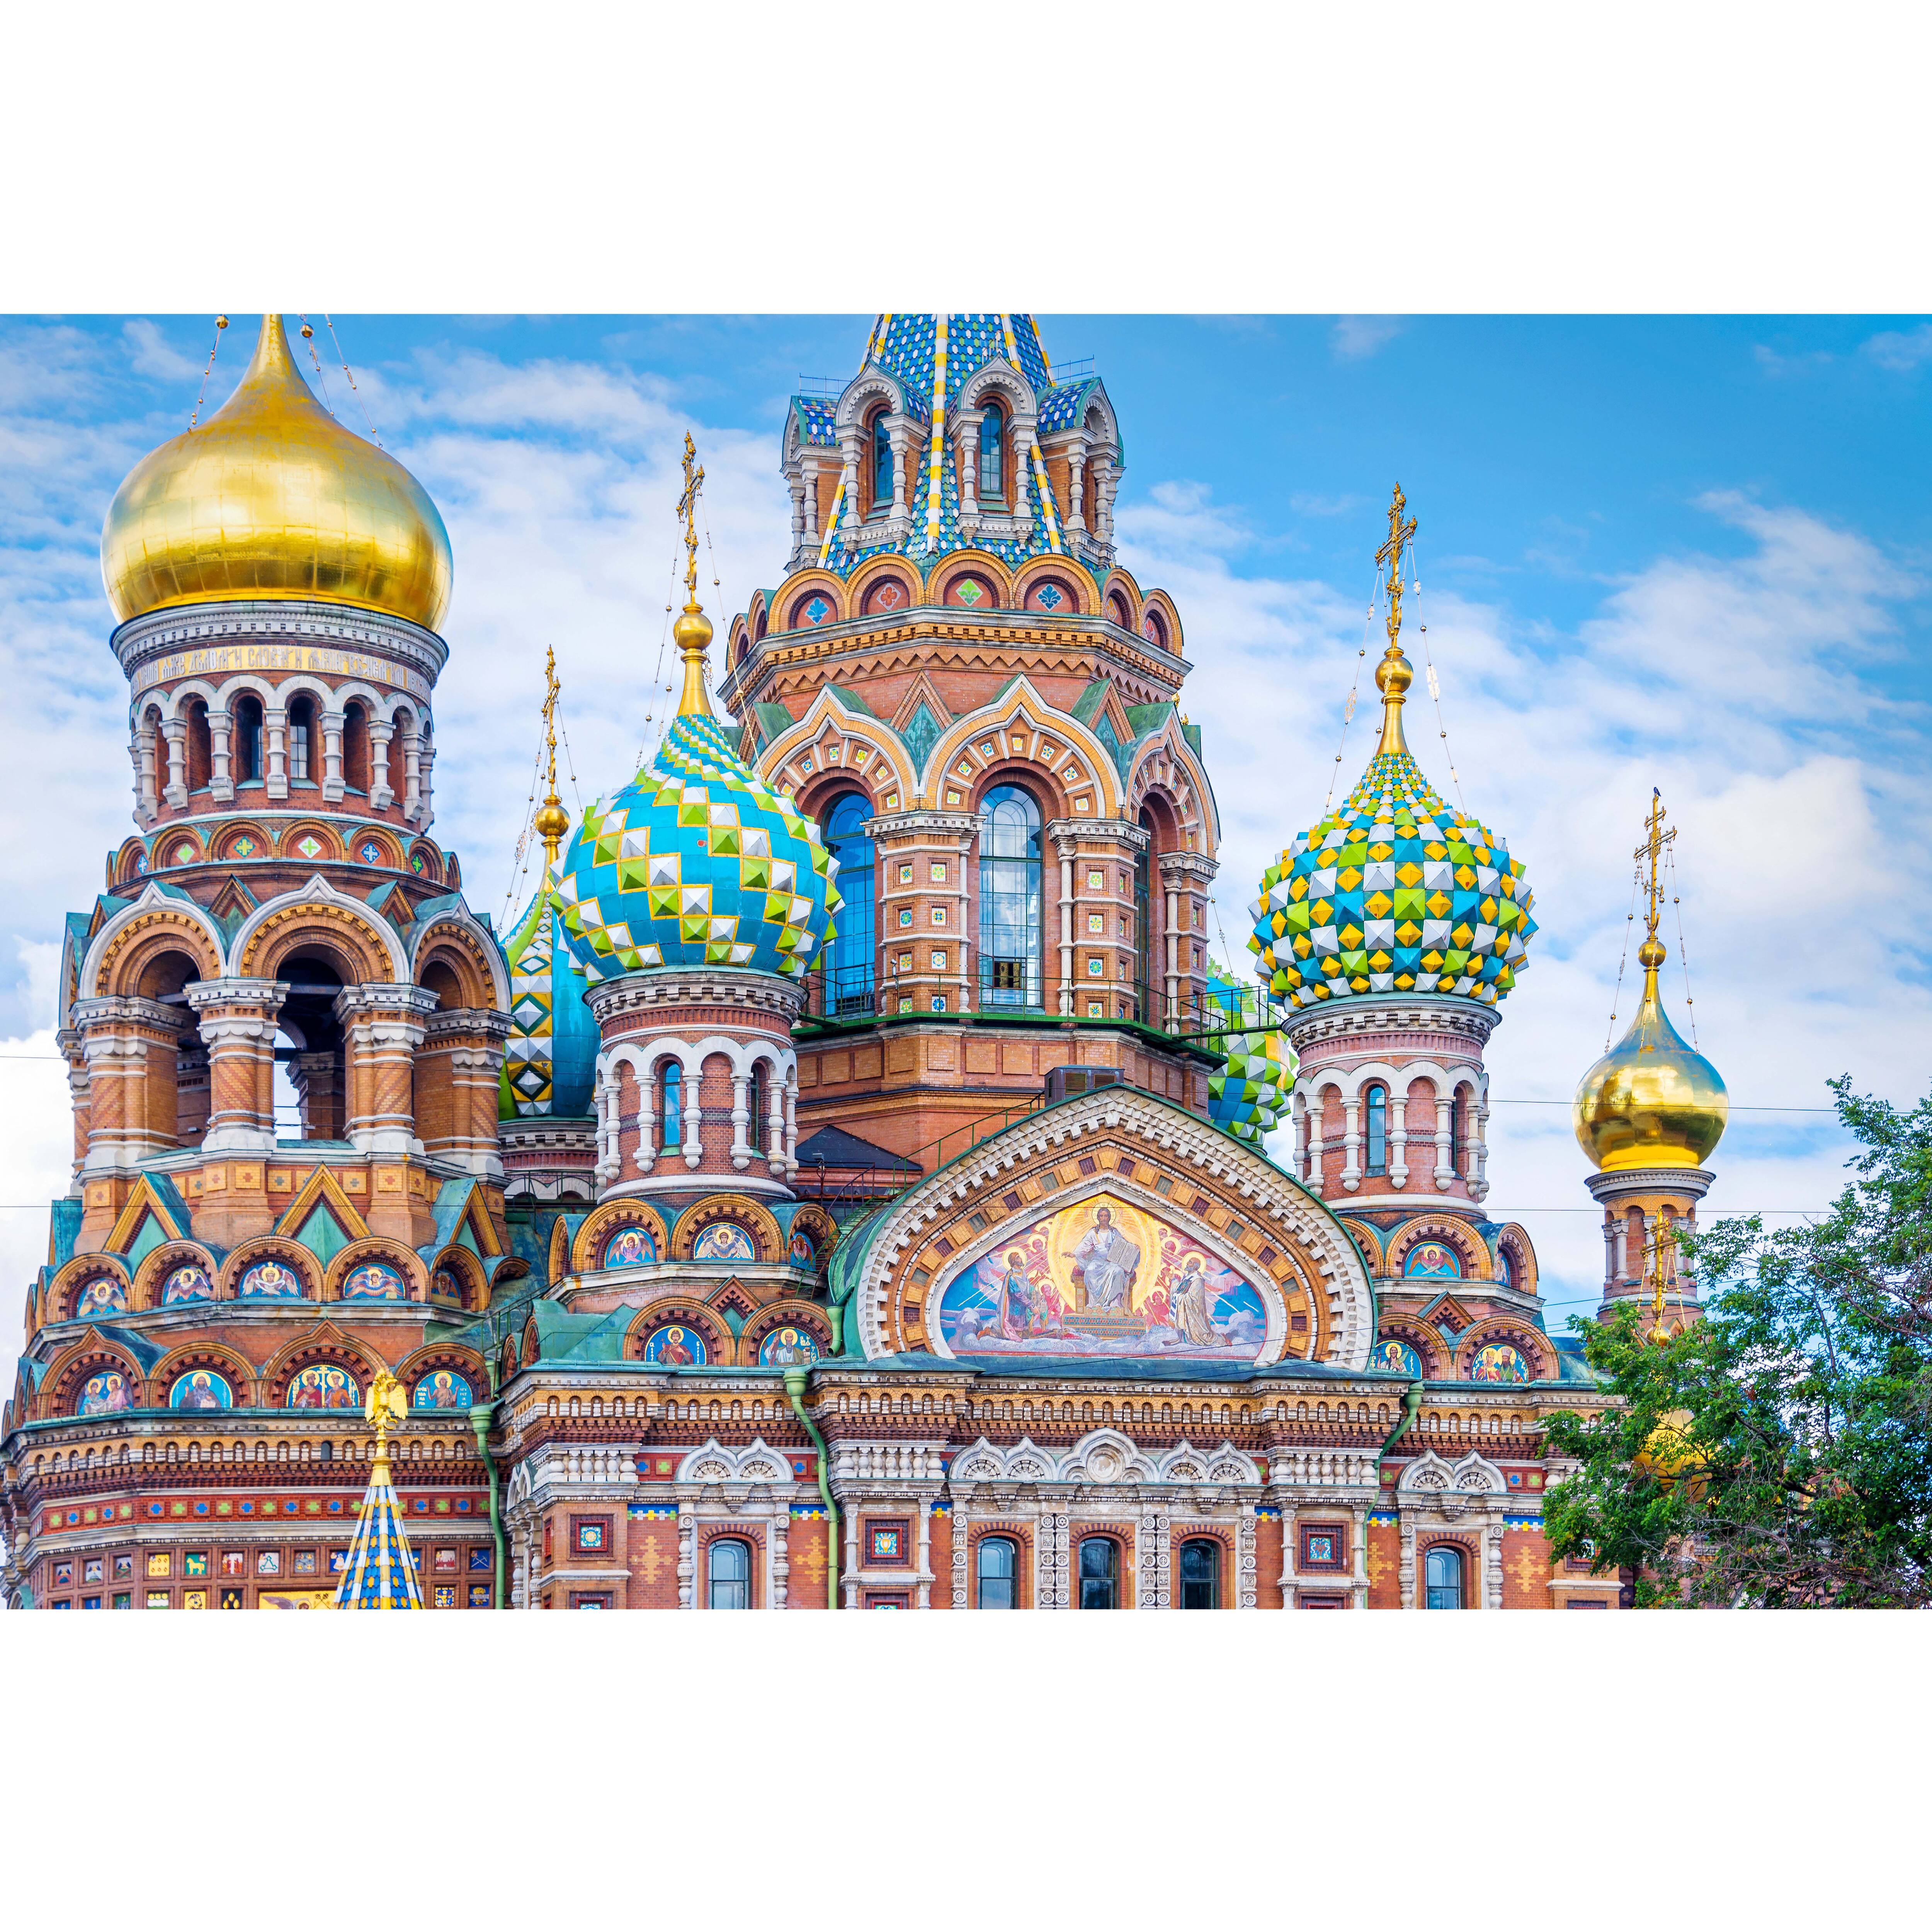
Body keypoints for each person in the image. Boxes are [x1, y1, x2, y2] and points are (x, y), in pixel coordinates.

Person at [1066, 1205, 1140, 1314]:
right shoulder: (1093, 1233)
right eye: (1101, 1216)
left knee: (1119, 1271)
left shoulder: (1114, 1232)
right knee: (1090, 1270)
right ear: (1098, 1218)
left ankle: (1115, 1303)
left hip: (1112, 1263)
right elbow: (1084, 1245)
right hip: (1097, 1262)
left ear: (1109, 1218)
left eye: (1106, 1216)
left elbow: (1124, 1244)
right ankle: (1096, 1304)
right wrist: (1073, 1254)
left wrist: (1134, 1247)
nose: (1104, 1218)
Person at [1170, 1255, 1219, 1347]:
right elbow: (1180, 1290)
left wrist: (1180, 1298)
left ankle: (1191, 1338)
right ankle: (1182, 1338)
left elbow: (1193, 1299)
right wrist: (1173, 1279)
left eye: (1190, 1262)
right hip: (1186, 1307)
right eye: (1188, 1262)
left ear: (1196, 1267)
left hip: (1194, 1315)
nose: (1187, 1264)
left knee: (1199, 1334)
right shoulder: (1187, 1278)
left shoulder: (1198, 1280)